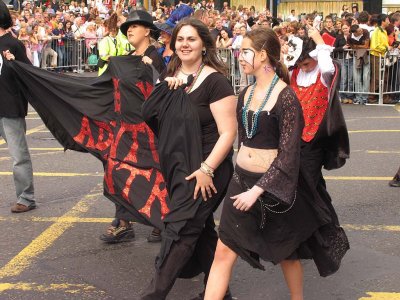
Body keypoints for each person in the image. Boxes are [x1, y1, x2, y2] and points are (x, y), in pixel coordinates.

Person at [205, 27, 350, 300]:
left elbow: (288, 155)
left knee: (287, 253)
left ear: (262, 55)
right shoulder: (245, 93)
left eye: (245, 51)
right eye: (240, 52)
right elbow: (243, 141)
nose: (240, 57)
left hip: (272, 189)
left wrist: (257, 190)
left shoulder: (287, 97)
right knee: (224, 251)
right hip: (241, 184)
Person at [141, 18, 237, 300]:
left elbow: (229, 133)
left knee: (180, 230)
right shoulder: (170, 77)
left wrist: (207, 168)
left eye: (191, 39)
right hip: (181, 169)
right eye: (180, 39)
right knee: (202, 229)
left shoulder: (216, 82)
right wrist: (164, 90)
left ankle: (153, 295)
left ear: (204, 45)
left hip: (209, 169)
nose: (184, 44)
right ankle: (221, 293)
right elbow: (152, 117)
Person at [99, 9, 165, 244]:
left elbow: (164, 89)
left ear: (147, 31)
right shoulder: (125, 58)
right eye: (127, 27)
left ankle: (162, 220)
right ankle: (124, 222)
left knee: (155, 173)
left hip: (149, 130)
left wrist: (153, 69)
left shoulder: (154, 57)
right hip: (125, 129)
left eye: (135, 26)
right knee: (115, 170)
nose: (129, 30)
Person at [0, 2, 36, 213]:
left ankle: (26, 197)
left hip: (11, 107)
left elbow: (28, 73)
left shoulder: (12, 44)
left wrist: (14, 63)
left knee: (18, 155)